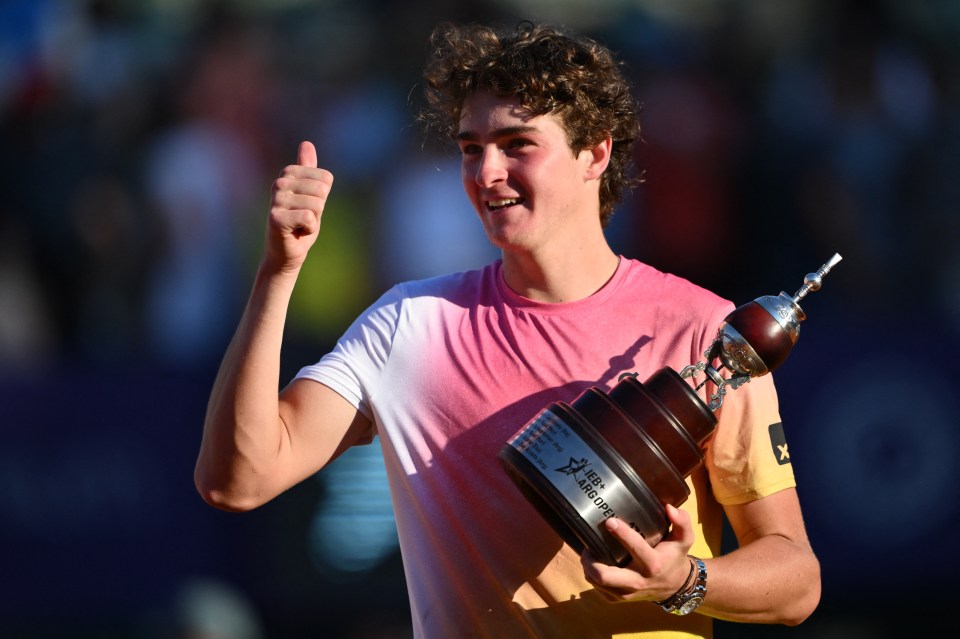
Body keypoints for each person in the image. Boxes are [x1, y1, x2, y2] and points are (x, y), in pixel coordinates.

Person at [195, 21, 821, 639]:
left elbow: (796, 580)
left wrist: (685, 582)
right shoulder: (408, 326)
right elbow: (237, 480)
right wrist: (278, 273)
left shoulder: (709, 332)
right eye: (471, 148)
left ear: (594, 153)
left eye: (517, 144)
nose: (486, 171)